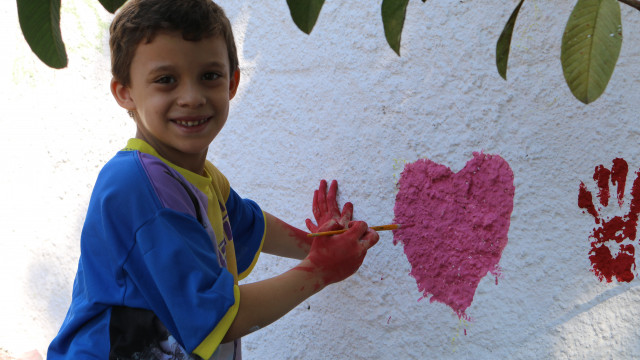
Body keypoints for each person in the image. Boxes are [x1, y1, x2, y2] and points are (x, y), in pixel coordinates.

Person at [46, 0, 379, 359]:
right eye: (166, 80)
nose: (191, 98)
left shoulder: (196, 177)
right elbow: (221, 315)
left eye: (209, 76)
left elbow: (250, 224)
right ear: (124, 92)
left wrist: (318, 242)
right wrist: (320, 269)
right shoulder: (136, 186)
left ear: (232, 82)